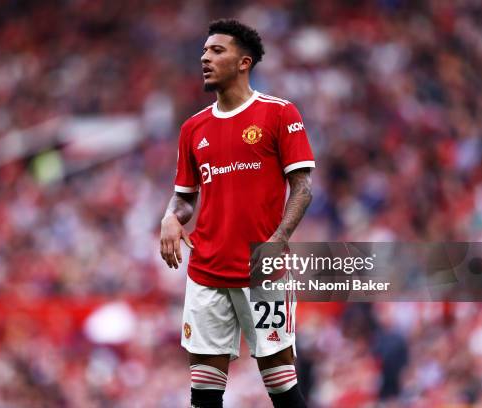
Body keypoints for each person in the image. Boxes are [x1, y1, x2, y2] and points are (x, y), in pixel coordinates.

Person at [160, 19, 314, 408]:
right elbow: (184, 199)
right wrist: (170, 217)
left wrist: (278, 240)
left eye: (217, 51)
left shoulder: (279, 114)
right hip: (206, 271)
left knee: (281, 383)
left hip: (263, 271)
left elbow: (303, 188)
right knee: (204, 391)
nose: (204, 58)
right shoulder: (193, 128)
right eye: (204, 51)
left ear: (244, 62)